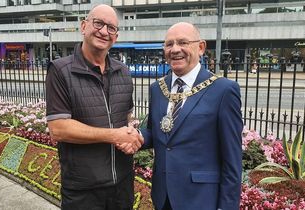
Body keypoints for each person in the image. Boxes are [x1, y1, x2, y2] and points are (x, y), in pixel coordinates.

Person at [45, 4, 143, 210]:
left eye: (111, 28)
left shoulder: (123, 71)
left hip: (122, 184)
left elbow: (125, 116)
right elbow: (59, 129)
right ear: (84, 26)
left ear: (115, 37)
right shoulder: (60, 70)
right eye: (98, 23)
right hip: (83, 189)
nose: (104, 31)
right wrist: (115, 135)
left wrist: (130, 134)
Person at [136, 22, 243, 210]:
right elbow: (157, 132)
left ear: (200, 47)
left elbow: (232, 159)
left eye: (183, 42)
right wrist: (135, 136)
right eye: (169, 44)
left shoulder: (223, 90)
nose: (175, 49)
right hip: (164, 197)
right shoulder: (157, 88)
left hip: (202, 199)